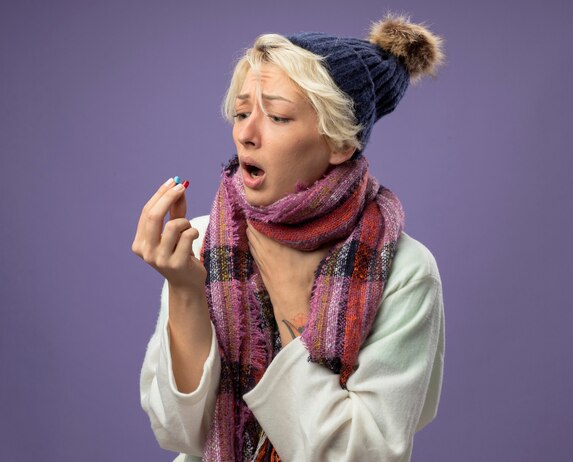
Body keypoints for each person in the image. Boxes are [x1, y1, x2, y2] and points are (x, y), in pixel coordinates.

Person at [133, 13, 445, 462]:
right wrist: (185, 289)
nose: (245, 133)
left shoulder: (404, 270)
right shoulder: (199, 244)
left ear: (340, 141)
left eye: (277, 116)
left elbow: (363, 455)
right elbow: (180, 433)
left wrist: (291, 300)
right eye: (242, 113)